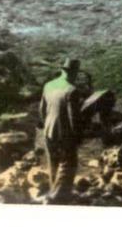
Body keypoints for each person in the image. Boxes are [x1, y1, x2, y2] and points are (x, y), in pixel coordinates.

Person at [38, 58, 86, 204]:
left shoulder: (49, 85)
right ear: (75, 73)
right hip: (64, 134)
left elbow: (41, 110)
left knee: (53, 163)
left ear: (63, 70)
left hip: (48, 131)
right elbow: (74, 119)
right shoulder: (72, 90)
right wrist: (78, 137)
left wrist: (46, 125)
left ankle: (54, 192)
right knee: (68, 164)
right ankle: (58, 198)